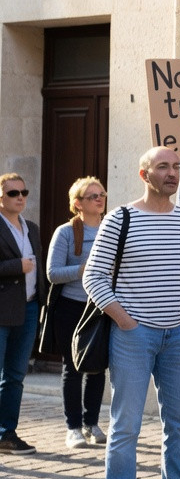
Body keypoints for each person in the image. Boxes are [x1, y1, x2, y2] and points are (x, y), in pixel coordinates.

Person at [81, 148, 180, 479]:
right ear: (144, 174)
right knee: (126, 426)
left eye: (176, 167)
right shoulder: (120, 218)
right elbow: (93, 276)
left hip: (179, 336)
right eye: (163, 166)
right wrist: (125, 320)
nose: (172, 173)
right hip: (133, 337)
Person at [43, 176, 109, 449]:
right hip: (71, 308)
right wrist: (84, 270)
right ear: (78, 203)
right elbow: (52, 273)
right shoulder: (66, 233)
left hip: (102, 307)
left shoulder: (111, 228)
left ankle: (91, 423)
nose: (99, 199)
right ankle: (73, 428)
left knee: (98, 366)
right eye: (93, 196)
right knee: (72, 368)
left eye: (102, 194)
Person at [0, 172, 46, 455]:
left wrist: (42, 302)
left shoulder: (31, 227)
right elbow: (23, 265)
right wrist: (16, 266)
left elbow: (38, 268)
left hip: (28, 308)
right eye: (13, 193)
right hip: (2, 311)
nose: (20, 198)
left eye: (23, 193)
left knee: (16, 375)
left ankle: (7, 433)